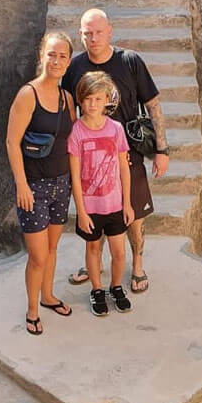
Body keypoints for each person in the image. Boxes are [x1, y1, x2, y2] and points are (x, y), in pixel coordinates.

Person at [62, 8, 169, 294]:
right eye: (87, 33)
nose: (93, 38)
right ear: (80, 35)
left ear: (110, 31)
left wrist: (162, 149)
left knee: (133, 217)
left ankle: (137, 265)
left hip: (127, 155)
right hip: (90, 159)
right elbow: (68, 109)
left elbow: (153, 105)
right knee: (92, 214)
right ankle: (92, 264)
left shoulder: (130, 61)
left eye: (98, 32)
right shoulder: (74, 67)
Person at [6, 32, 76, 335]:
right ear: (41, 56)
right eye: (52, 54)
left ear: (69, 61)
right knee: (37, 255)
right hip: (34, 186)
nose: (57, 60)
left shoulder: (67, 98)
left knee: (52, 247)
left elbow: (72, 140)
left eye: (62, 56)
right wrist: (21, 184)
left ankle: (48, 296)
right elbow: (12, 142)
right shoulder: (27, 95)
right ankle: (32, 309)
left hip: (62, 183)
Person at [68, 71, 135, 316]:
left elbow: (124, 170)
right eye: (87, 99)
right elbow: (75, 176)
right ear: (80, 100)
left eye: (97, 99)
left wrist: (127, 203)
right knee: (93, 250)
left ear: (107, 99)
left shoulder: (116, 129)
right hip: (90, 208)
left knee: (119, 252)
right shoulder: (77, 132)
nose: (92, 104)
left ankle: (116, 287)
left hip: (115, 205)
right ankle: (97, 289)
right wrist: (81, 212)